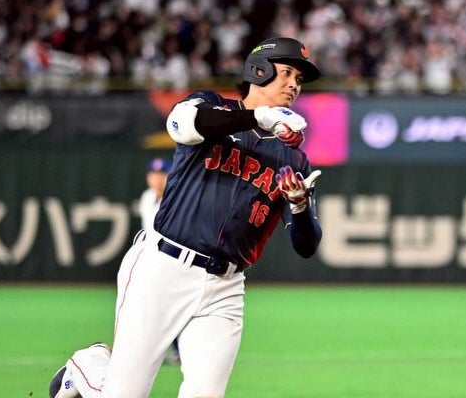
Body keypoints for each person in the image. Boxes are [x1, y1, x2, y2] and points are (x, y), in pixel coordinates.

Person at [48, 36, 323, 398]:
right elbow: (180, 123)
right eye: (286, 72)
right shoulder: (211, 106)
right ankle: (89, 367)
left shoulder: (294, 160)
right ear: (259, 70)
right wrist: (258, 117)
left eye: (299, 80)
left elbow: (306, 245)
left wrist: (300, 205)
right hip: (164, 269)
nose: (293, 85)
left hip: (225, 286)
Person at [138, 157, 182, 365]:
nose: (157, 179)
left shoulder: (177, 197)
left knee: (173, 308)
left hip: (174, 261)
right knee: (153, 307)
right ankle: (158, 349)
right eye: (153, 174)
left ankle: (180, 350)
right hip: (152, 260)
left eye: (162, 174)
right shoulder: (147, 197)